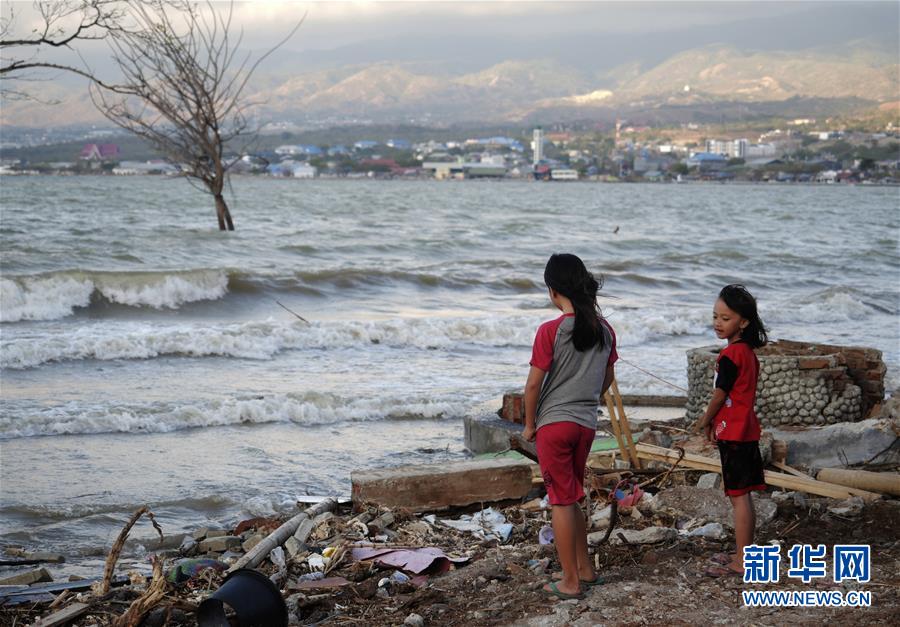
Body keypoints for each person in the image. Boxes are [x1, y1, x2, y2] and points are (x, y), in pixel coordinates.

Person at [522, 253, 618, 600]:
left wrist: (529, 424)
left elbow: (533, 385)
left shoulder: (550, 331)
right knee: (572, 496)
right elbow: (607, 377)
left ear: (553, 291)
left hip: (555, 425)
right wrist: (588, 398)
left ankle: (570, 582)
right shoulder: (604, 330)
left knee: (560, 501)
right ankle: (585, 570)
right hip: (585, 425)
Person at [692, 284, 769, 577]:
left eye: (725, 318)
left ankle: (742, 561)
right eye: (715, 316)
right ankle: (742, 553)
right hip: (746, 428)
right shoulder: (748, 353)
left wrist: (705, 420)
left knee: (739, 497)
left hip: (735, 432)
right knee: (743, 495)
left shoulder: (729, 356)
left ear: (744, 321)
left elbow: (719, 395)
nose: (717, 323)